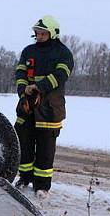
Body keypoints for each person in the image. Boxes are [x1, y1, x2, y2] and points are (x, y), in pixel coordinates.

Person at [13, 15, 74, 199]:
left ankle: (42, 185)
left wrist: (39, 87)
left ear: (52, 33)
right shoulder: (28, 51)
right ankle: (24, 177)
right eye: (37, 33)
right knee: (24, 142)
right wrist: (24, 90)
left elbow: (61, 74)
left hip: (50, 108)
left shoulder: (63, 53)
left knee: (46, 148)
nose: (38, 36)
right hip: (27, 105)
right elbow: (20, 72)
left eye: (42, 33)